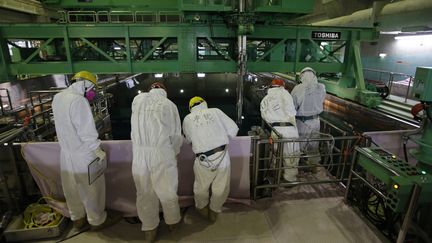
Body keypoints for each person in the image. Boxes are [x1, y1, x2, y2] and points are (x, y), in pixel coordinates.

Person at [52, 71, 121, 231]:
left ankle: (77, 218)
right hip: (83, 154)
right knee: (92, 190)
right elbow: (86, 131)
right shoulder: (78, 101)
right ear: (86, 85)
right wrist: (97, 150)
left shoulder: (58, 97)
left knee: (71, 189)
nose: (93, 93)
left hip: (66, 153)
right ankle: (97, 220)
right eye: (93, 89)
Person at [130, 82, 183, 242]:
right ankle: (172, 223)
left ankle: (149, 229)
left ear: (150, 90)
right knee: (167, 190)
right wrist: (174, 152)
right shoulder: (169, 105)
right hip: (161, 152)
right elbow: (175, 135)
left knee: (144, 193)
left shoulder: (137, 101)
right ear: (164, 92)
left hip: (139, 154)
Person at [182, 97, 238, 222]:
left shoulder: (187, 119)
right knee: (221, 187)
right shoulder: (216, 111)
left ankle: (202, 208)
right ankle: (214, 210)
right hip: (222, 156)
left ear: (191, 108)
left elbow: (189, 139)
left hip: (202, 159)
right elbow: (233, 129)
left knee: (201, 187)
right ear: (204, 103)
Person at [260, 79, 300, 182]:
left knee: (275, 153)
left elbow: (264, 117)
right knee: (291, 155)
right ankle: (289, 179)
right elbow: (291, 112)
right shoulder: (285, 94)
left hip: (276, 129)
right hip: (289, 129)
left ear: (271, 87)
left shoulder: (265, 99)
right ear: (282, 86)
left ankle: (274, 173)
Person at [291, 67, 326, 170]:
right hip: (316, 121)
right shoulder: (321, 87)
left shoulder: (298, 88)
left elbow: (292, 106)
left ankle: (297, 167)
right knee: (314, 144)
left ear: (302, 76)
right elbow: (321, 99)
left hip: (302, 122)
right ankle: (314, 166)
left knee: (300, 145)